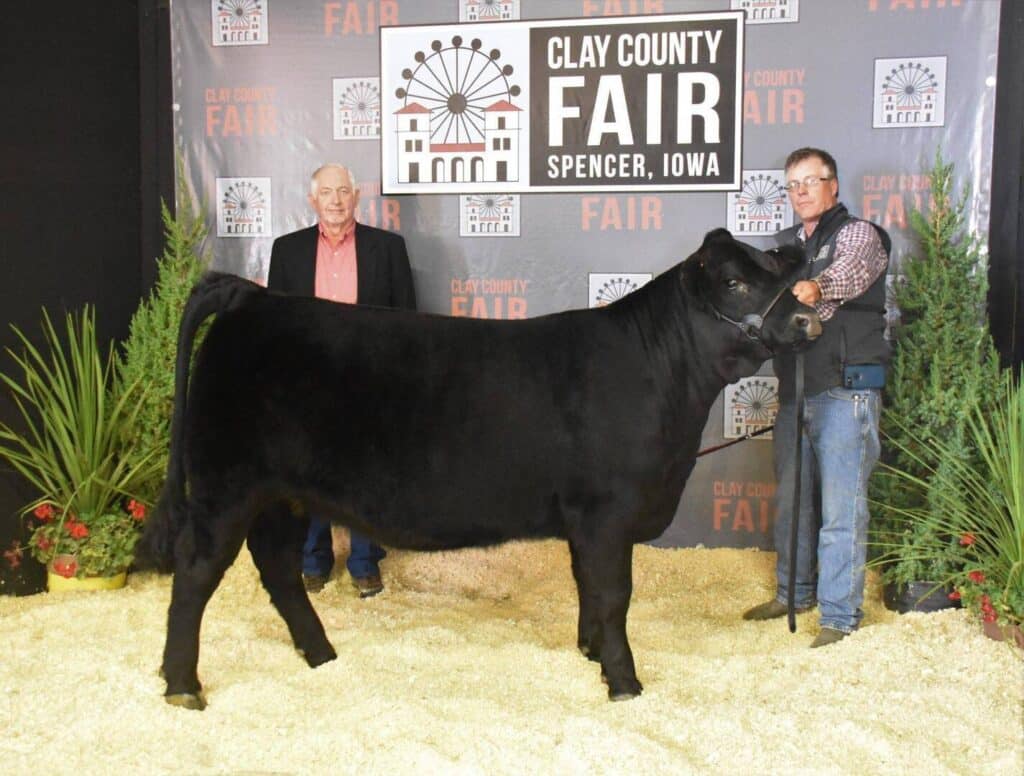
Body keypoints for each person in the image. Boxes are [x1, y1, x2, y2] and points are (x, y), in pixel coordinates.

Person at [742, 147, 890, 647]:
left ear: (834, 186)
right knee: (792, 504)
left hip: (845, 393)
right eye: (793, 184)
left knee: (841, 510)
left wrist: (813, 286)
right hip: (796, 393)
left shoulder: (859, 235)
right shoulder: (784, 248)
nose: (801, 191)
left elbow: (849, 274)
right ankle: (793, 592)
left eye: (812, 180)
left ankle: (839, 616)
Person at [268, 163, 416, 597]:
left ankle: (364, 562)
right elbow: (277, 323)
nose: (335, 200)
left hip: (368, 380)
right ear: (313, 200)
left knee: (364, 474)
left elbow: (406, 321)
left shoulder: (388, 248)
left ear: (356, 197)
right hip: (308, 383)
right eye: (326, 193)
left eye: (343, 191)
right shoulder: (287, 250)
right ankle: (312, 559)